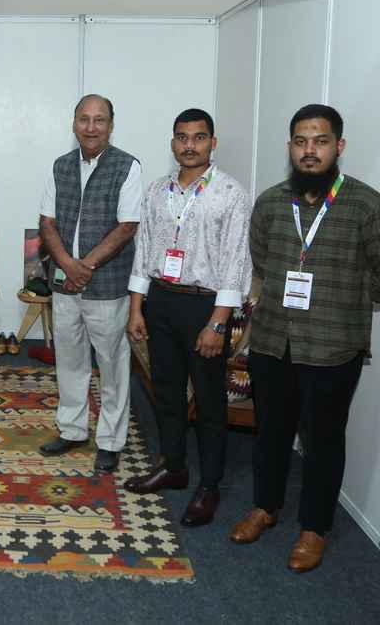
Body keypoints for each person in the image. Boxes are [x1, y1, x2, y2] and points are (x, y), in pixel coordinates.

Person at [229, 104, 380, 573]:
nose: (309, 151)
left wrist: (343, 298)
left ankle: (314, 528)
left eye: (321, 141)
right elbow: (262, 262)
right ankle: (265, 507)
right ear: (290, 147)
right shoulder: (271, 203)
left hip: (331, 349)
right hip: (272, 342)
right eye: (301, 142)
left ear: (339, 146)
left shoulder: (371, 208)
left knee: (323, 440)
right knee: (270, 432)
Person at [124, 108, 252, 528]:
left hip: (205, 307)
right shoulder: (157, 191)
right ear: (173, 143)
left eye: (199, 137)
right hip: (161, 301)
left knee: (210, 401)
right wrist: (136, 307)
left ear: (213, 142)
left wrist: (218, 322)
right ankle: (174, 466)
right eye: (182, 137)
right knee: (166, 392)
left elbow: (235, 263)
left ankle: (209, 485)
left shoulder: (231, 193)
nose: (190, 145)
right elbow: (144, 252)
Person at [37, 94, 142, 473]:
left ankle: (111, 440)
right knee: (70, 359)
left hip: (108, 286)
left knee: (112, 364)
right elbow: (47, 222)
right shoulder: (60, 166)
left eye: (99, 120)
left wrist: (87, 265)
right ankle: (72, 429)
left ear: (111, 125)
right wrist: (68, 265)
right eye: (84, 119)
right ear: (74, 124)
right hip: (64, 283)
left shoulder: (127, 166)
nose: (91, 127)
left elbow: (127, 226)